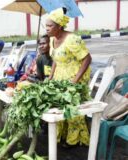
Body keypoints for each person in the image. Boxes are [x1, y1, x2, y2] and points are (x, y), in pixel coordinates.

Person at [46, 8, 92, 147]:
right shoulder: (52, 39)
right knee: (60, 107)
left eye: (50, 26)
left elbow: (87, 59)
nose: (47, 29)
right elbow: (55, 59)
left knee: (73, 110)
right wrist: (51, 76)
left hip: (75, 78)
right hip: (60, 77)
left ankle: (74, 140)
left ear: (59, 26)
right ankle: (62, 135)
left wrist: (75, 81)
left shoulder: (72, 39)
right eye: (46, 26)